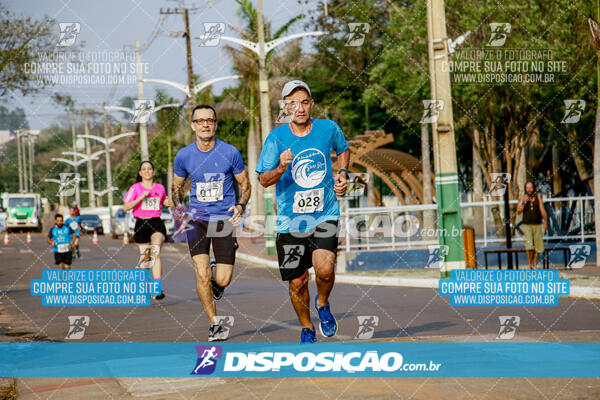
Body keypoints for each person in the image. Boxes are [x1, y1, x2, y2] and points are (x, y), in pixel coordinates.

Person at [256, 80, 349, 343]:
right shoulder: (276, 138)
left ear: (311, 104)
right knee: (297, 282)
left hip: (324, 214)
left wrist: (342, 174)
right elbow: (263, 179)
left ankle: (322, 303)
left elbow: (343, 150)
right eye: (293, 103)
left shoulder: (328, 128)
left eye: (305, 102)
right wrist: (281, 168)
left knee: (325, 270)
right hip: (289, 223)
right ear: (285, 107)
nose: (300, 108)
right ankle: (307, 327)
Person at [172, 104, 251, 342]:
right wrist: (179, 210)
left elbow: (245, 183)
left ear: (215, 124)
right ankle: (214, 323)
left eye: (210, 120)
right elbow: (176, 187)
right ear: (193, 125)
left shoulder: (230, 153)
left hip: (222, 219)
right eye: (200, 121)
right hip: (197, 220)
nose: (205, 124)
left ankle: (217, 283)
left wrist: (240, 206)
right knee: (202, 274)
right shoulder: (184, 155)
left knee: (222, 279)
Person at [123, 161, 170, 299]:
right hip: (141, 223)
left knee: (155, 251)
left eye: (150, 169)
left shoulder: (160, 187)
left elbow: (165, 202)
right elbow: (126, 207)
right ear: (140, 173)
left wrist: (168, 202)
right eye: (144, 169)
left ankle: (157, 288)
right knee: (146, 259)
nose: (147, 171)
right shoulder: (135, 188)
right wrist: (141, 197)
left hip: (156, 223)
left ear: (153, 172)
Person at [516, 181, 548, 269]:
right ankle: (529, 263)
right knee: (529, 246)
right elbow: (518, 211)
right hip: (527, 225)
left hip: (537, 224)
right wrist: (523, 202)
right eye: (527, 188)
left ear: (534, 188)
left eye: (531, 188)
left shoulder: (538, 198)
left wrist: (545, 222)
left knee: (538, 247)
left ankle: (535, 264)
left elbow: (543, 211)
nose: (529, 190)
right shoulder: (523, 198)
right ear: (525, 189)